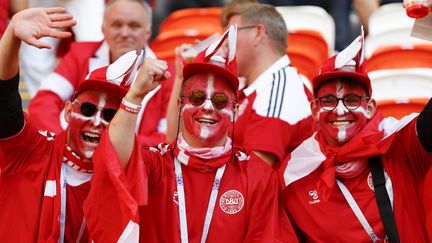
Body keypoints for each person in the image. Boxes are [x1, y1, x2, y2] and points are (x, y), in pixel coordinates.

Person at [84, 26, 298, 242]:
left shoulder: (257, 176)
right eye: (196, 98)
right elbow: (113, 159)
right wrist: (135, 95)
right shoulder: (155, 164)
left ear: (234, 109)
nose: (207, 107)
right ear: (179, 104)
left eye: (220, 101)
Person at [279, 30, 431, 242]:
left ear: (369, 108)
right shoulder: (294, 173)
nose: (340, 111)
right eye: (329, 101)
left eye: (351, 100)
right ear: (314, 110)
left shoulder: (398, 143)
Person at [0, 7, 133, 242]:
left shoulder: (123, 179)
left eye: (109, 115)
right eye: (88, 109)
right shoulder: (33, 149)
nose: (96, 121)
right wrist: (11, 35)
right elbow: (4, 101)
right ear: (69, 111)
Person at [28, 0, 171, 146]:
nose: (124, 33)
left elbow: (166, 138)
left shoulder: (167, 74)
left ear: (148, 32)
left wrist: (111, 146)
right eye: (117, 25)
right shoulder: (81, 53)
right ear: (103, 29)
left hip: (131, 164)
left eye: (134, 26)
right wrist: (63, 144)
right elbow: (43, 102)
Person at [221, 3, 314, 166]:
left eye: (230, 34)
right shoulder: (248, 85)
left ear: (258, 33)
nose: (224, 44)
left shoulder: (281, 86)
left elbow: (256, 172)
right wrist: (181, 77)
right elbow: (178, 140)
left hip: (268, 191)